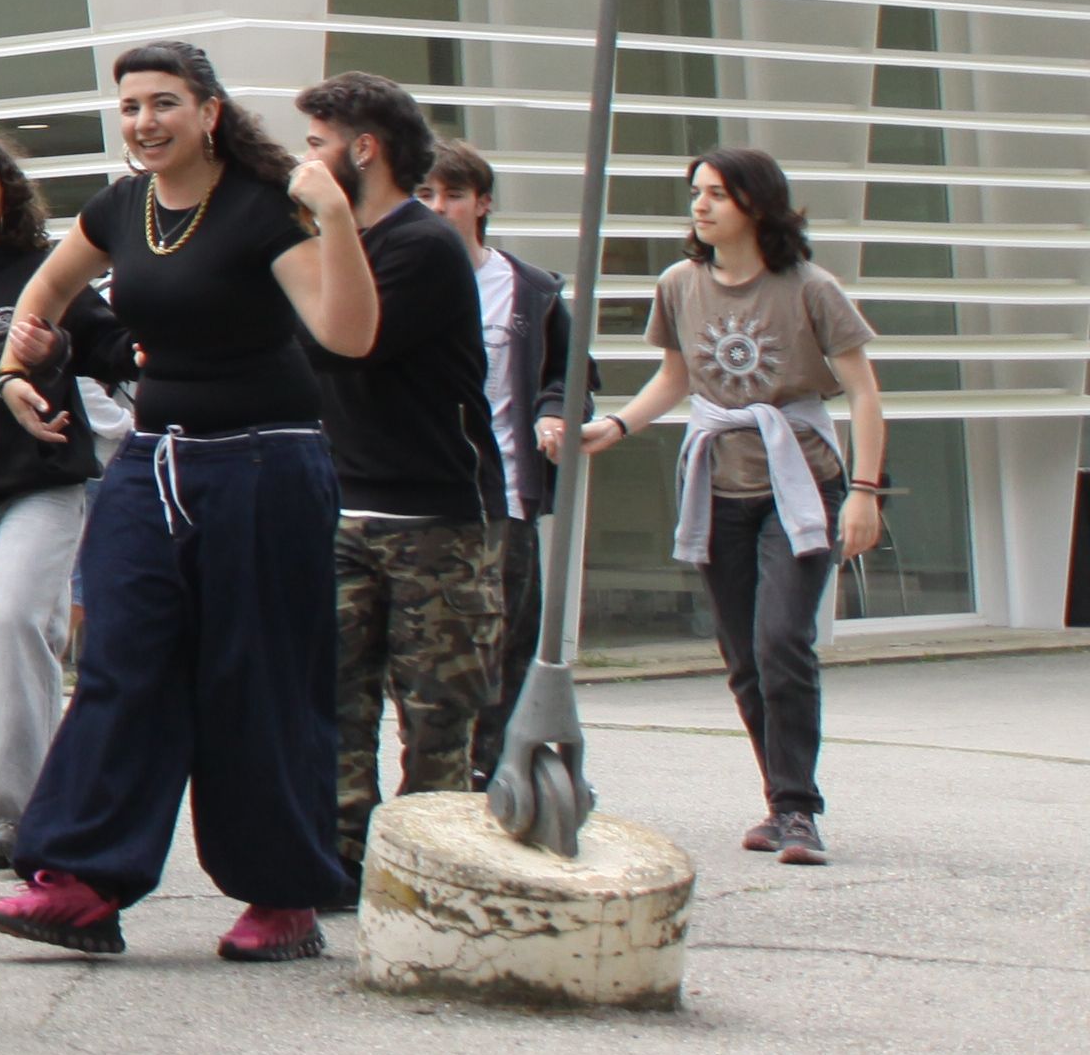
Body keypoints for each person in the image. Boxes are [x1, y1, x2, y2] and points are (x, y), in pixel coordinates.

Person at [0, 42, 376, 963]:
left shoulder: (265, 205)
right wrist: (13, 367)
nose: (144, 122)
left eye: (164, 103)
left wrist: (337, 223)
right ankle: (81, 881)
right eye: (130, 107)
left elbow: (348, 335)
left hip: (265, 467)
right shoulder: (124, 207)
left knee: (258, 677)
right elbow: (48, 287)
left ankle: (283, 898)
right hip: (154, 465)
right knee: (121, 663)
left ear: (209, 111)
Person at [576, 148, 890, 864]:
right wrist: (618, 426)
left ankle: (799, 811)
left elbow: (865, 394)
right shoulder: (680, 284)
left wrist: (865, 494)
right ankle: (779, 804)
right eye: (696, 193)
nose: (701, 206)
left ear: (756, 203)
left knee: (782, 640)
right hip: (718, 483)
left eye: (716, 193)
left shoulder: (810, 287)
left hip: (801, 480)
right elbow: (675, 377)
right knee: (743, 654)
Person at [289, 71, 512, 885]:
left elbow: (347, 342)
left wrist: (326, 223)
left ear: (365, 149)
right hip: (345, 509)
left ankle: (430, 874)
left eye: (317, 144)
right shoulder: (327, 244)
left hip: (436, 523)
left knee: (436, 716)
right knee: (339, 705)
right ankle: (341, 863)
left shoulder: (422, 243)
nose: (304, 161)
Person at [0, 130, 126, 872]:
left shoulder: (49, 272)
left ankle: (16, 816)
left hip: (42, 480)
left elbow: (115, 349)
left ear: (7, 193)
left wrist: (62, 354)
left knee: (17, 622)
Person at [421, 140, 577, 769]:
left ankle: (496, 771)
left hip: (504, 495)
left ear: (482, 203)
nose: (439, 209)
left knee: (506, 641)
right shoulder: (389, 277)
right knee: (436, 652)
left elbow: (569, 373)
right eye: (425, 195)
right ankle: (444, 777)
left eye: (453, 196)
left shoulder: (529, 289)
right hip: (422, 496)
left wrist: (554, 413)